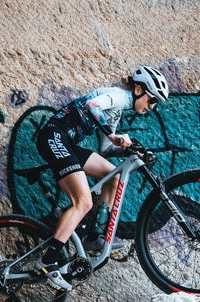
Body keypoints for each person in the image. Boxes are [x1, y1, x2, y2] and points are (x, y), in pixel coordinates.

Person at [34, 65, 169, 289]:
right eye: (152, 100)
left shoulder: (118, 109)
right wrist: (114, 136)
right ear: (138, 90)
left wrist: (130, 150)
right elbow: (92, 106)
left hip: (66, 143)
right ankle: (47, 262)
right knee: (83, 201)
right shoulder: (117, 96)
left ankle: (94, 235)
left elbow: (106, 148)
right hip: (54, 137)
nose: (152, 107)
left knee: (112, 175)